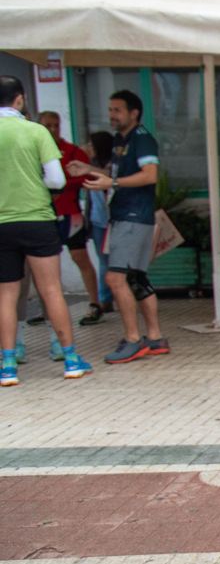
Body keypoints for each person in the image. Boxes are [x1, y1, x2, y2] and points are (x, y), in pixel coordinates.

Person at [0, 75, 93, 386]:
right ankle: (69, 359)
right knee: (51, 289)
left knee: (7, 294)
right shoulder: (37, 131)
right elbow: (56, 180)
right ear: (20, 99)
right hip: (38, 220)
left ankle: (9, 365)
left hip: (1, 224)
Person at [78, 90, 167, 364]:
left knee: (115, 279)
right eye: (110, 110)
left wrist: (112, 184)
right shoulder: (120, 140)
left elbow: (150, 175)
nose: (112, 115)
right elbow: (119, 174)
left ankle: (132, 339)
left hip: (133, 216)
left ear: (134, 113)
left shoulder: (143, 140)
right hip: (125, 215)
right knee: (137, 278)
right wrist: (88, 168)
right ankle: (155, 338)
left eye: (117, 110)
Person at [37, 111, 97, 320]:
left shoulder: (72, 151)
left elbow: (87, 177)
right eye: (48, 125)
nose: (53, 130)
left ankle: (94, 303)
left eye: (56, 125)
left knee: (80, 257)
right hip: (43, 216)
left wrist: (61, 186)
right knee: (44, 264)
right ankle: (47, 310)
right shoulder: (33, 150)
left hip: (70, 214)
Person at [74, 131, 116, 323]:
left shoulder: (109, 167)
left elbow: (112, 182)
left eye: (91, 144)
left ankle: (107, 297)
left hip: (112, 220)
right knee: (103, 260)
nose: (87, 147)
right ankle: (105, 298)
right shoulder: (90, 166)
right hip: (98, 221)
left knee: (109, 261)